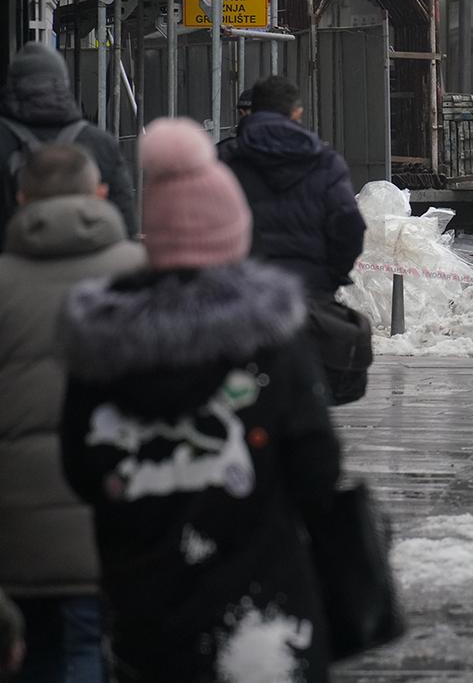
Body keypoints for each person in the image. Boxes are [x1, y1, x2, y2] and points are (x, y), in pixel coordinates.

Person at [58, 118, 340, 682]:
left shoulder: (103, 349)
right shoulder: (271, 343)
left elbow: (80, 467)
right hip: (263, 620)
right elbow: (317, 467)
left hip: (144, 617)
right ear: (233, 234)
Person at [0, 145, 145, 683]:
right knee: (95, 651)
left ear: (21, 199)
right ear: (101, 193)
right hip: (119, 524)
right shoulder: (142, 275)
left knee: (33, 656)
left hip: (15, 537)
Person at [219, 75, 365, 298]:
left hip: (242, 294)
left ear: (250, 110)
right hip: (308, 292)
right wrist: (330, 277)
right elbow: (349, 227)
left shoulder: (224, 159)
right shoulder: (326, 162)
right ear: (297, 112)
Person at [0, 42, 136, 249]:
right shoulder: (100, 143)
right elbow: (126, 224)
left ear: (11, 84)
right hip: (90, 271)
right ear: (64, 83)